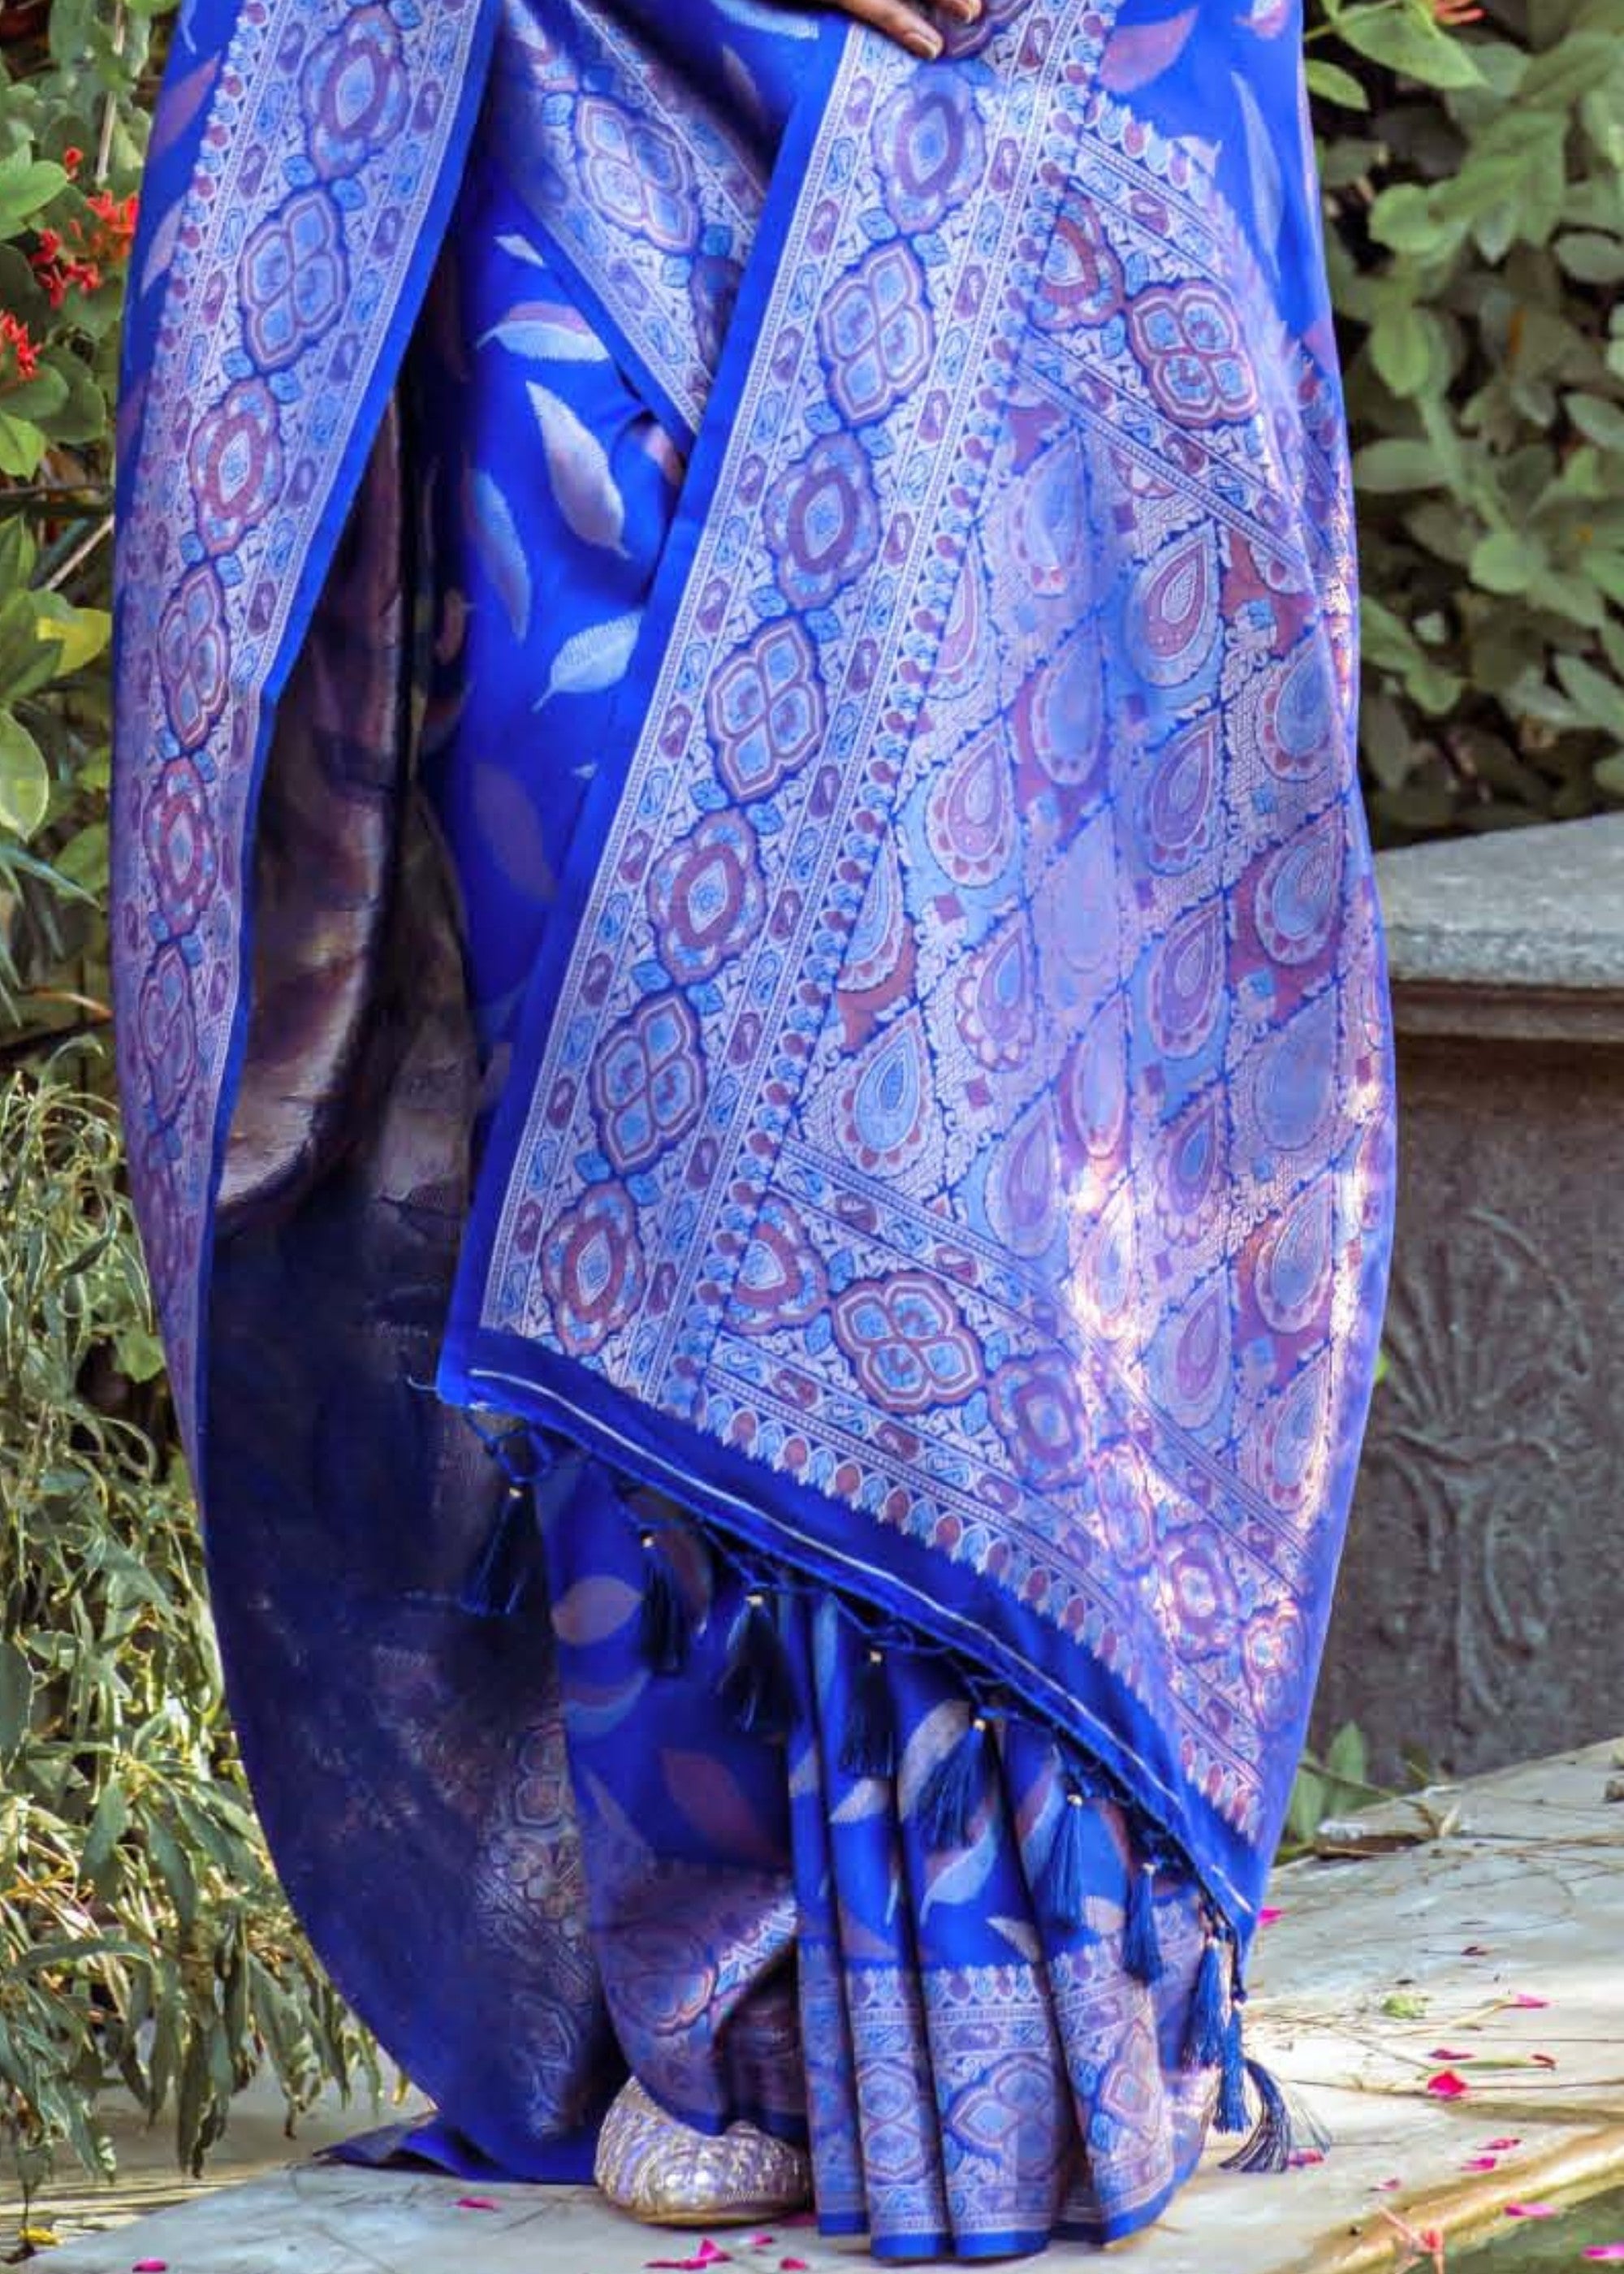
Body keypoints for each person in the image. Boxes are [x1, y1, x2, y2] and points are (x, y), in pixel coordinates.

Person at [112, 0, 1395, 2250]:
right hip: (569, 65)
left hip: (1055, 68)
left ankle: (1009, 1976)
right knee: (621, 998)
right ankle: (723, 1978)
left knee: (1002, 978)